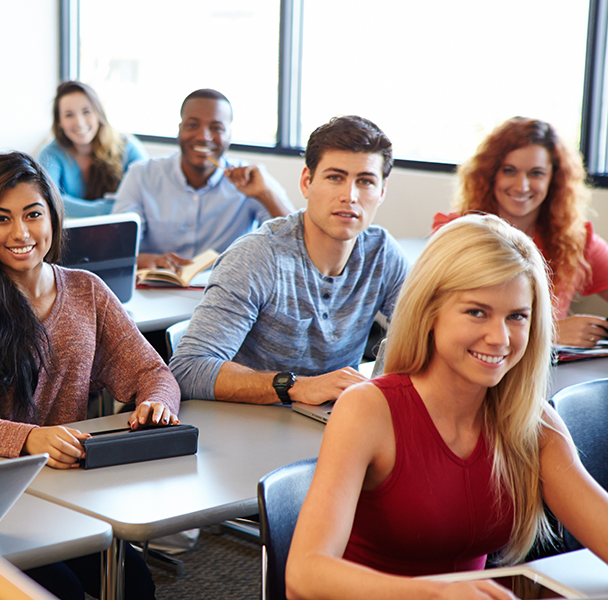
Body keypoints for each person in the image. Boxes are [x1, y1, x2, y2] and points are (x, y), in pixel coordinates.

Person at [284, 213, 608, 599]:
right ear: (430, 311)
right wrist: (435, 595)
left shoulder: (530, 422)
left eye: (517, 316)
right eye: (477, 312)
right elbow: (304, 574)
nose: (499, 338)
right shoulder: (368, 410)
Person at [0, 152, 179, 600]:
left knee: (135, 581)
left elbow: (153, 371)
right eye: (1, 219)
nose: (20, 233)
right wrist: (26, 439)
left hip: (63, 489)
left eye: (32, 214)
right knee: (64, 591)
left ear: (53, 219)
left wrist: (157, 402)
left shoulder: (86, 291)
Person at [169, 115, 408, 405]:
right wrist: (296, 387)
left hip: (338, 422)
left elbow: (427, 334)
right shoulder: (256, 257)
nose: (350, 196)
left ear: (381, 192)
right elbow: (188, 368)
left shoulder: (382, 253)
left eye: (366, 181)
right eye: (335, 177)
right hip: (248, 427)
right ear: (307, 183)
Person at [434, 117, 608, 348]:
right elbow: (436, 321)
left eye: (536, 173)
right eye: (509, 171)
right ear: (490, 174)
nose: (522, 186)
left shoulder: (574, 240)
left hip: (545, 375)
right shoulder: (455, 233)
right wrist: (549, 332)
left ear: (553, 179)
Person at [112, 89, 293, 272]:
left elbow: (296, 242)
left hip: (226, 293)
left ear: (229, 136)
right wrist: (147, 260)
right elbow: (115, 248)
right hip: (155, 289)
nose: (203, 137)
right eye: (192, 125)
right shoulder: (142, 175)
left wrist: (265, 194)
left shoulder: (251, 180)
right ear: (179, 130)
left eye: (216, 128)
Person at [37, 80, 147, 218]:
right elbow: (48, 199)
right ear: (59, 122)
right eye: (69, 115)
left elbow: (145, 194)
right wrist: (106, 209)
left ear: (98, 114)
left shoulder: (127, 147)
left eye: (86, 111)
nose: (79, 122)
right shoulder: (49, 154)